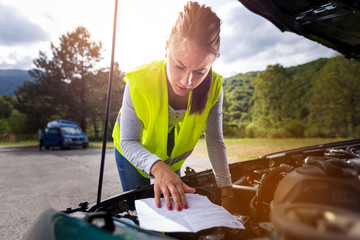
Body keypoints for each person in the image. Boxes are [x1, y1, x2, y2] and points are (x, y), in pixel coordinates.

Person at [112, 1, 237, 213]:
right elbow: (128, 141)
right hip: (133, 155)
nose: (187, 81)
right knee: (142, 213)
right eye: (179, 66)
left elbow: (215, 140)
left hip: (173, 162)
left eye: (200, 71)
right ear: (166, 48)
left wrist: (227, 191)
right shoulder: (138, 81)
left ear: (213, 62)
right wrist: (157, 166)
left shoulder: (215, 87)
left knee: (178, 211)